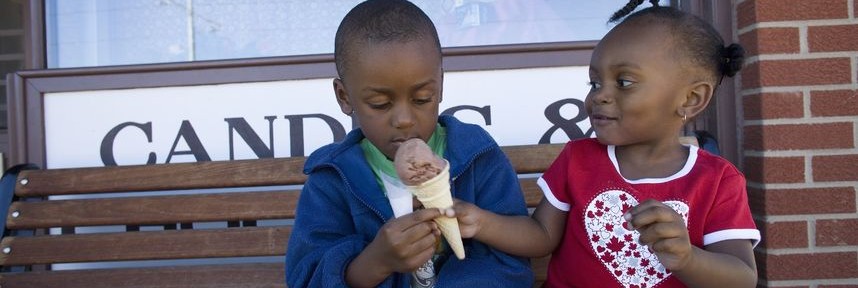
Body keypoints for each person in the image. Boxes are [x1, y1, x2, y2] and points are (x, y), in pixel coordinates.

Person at [449, 1, 760, 287]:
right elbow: (541, 236)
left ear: (691, 99)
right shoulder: (578, 160)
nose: (599, 95)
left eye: (623, 82)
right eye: (594, 83)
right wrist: (481, 223)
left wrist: (689, 259)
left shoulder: (717, 181)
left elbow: (742, 278)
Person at [284, 0, 533, 287]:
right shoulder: (332, 180)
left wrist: (478, 226)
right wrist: (376, 261)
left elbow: (510, 262)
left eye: (422, 99)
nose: (404, 119)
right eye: (380, 104)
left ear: (440, 85)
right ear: (344, 97)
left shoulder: (477, 155)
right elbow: (307, 277)